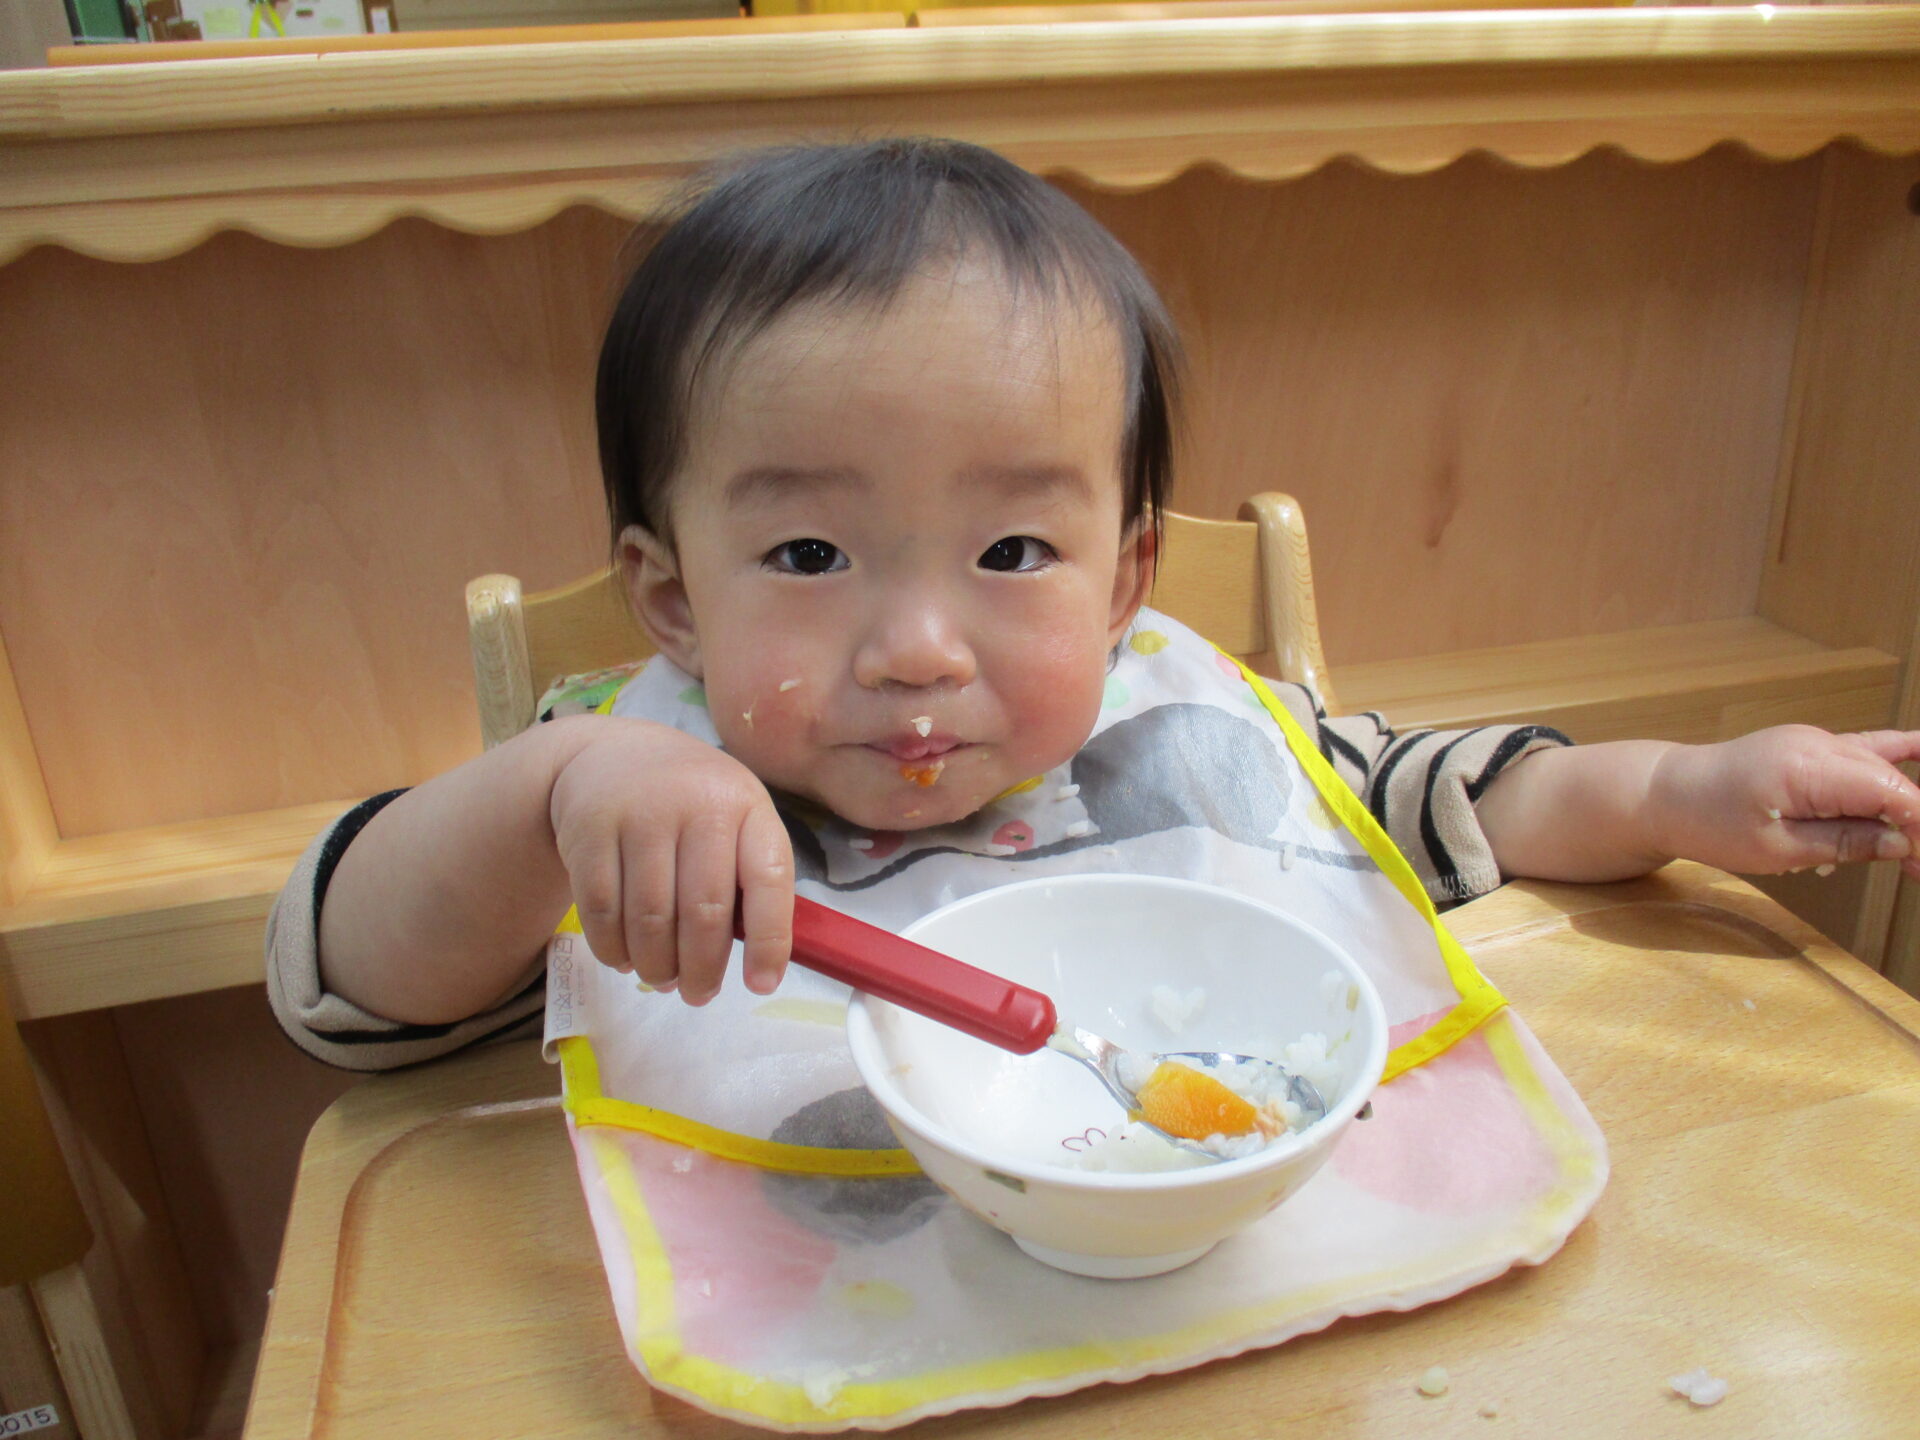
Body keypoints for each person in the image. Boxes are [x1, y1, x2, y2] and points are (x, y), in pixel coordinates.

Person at [267, 138, 1920, 1070]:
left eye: (1010, 555)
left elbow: (1462, 799)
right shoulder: (636, 811)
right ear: (673, 599)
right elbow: (343, 987)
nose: (918, 650)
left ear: (1126, 581)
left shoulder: (1176, 726)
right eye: (809, 556)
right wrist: (557, 796)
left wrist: (1686, 791)